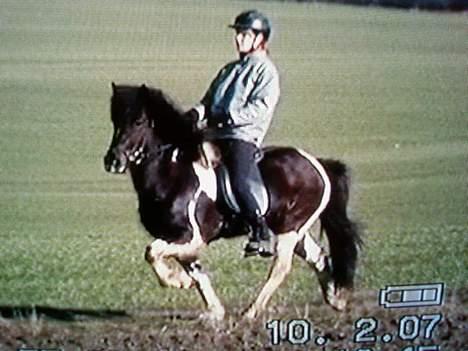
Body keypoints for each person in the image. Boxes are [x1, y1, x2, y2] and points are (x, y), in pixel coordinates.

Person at [188, 10, 280, 257]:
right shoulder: (229, 69)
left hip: (241, 137)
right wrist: (195, 114)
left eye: (245, 34)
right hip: (214, 133)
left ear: (260, 39)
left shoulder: (266, 71)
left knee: (239, 179)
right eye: (238, 34)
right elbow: (208, 101)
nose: (238, 39)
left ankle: (260, 232)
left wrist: (230, 117)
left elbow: (261, 107)